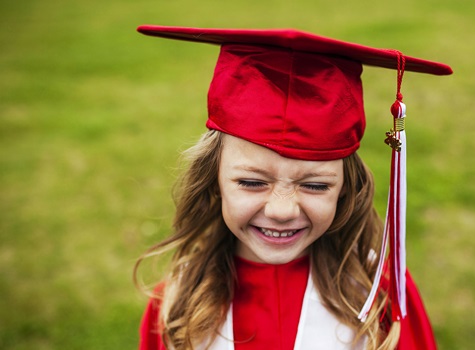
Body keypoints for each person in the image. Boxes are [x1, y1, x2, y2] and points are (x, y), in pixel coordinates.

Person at [134, 25, 452, 350]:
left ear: (345, 188)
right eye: (252, 182)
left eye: (314, 185)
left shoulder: (378, 291)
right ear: (213, 180)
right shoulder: (176, 303)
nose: (282, 211)